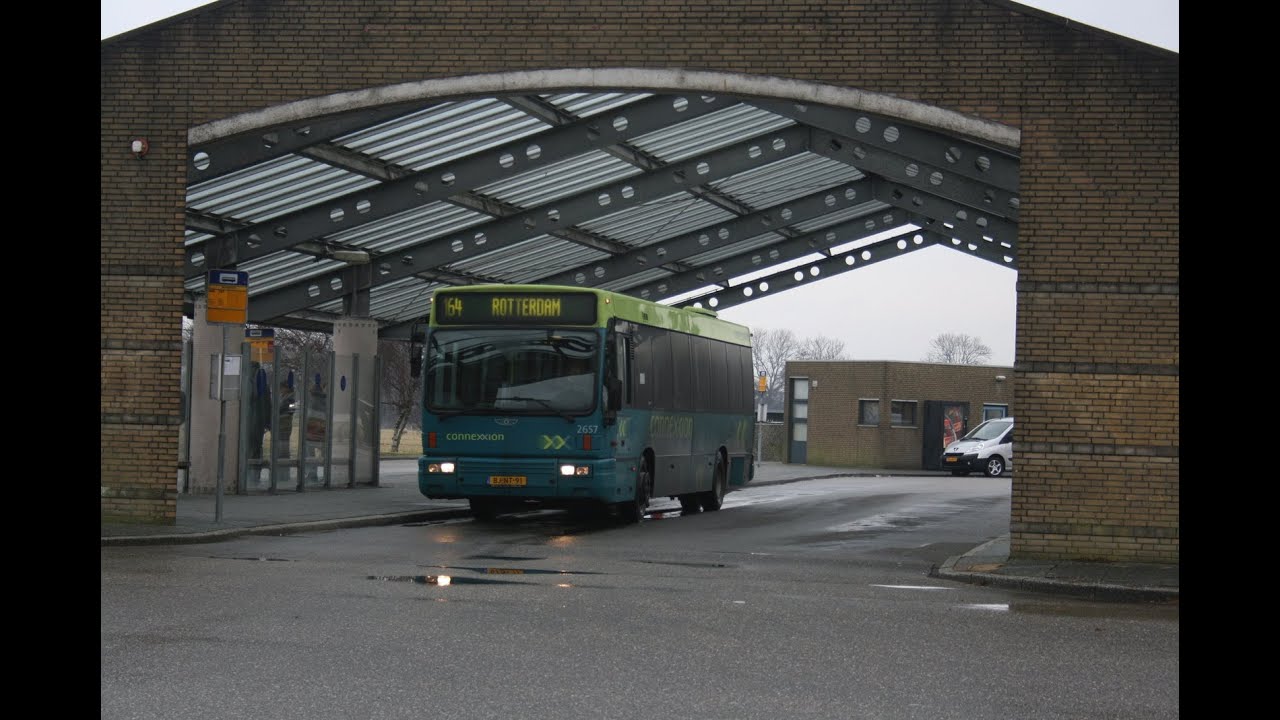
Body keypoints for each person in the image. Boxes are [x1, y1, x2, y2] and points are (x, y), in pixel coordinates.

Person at [246, 363, 272, 483]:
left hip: (249, 421)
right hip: (259, 421)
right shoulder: (263, 384)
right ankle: (255, 476)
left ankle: (249, 475)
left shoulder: (247, 382)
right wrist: (268, 422)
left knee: (248, 448)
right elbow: (268, 405)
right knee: (256, 448)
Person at [276, 378, 296, 459]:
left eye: (282, 388)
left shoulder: (290, 398)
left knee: (284, 443)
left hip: (285, 424)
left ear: (286, 388)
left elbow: (291, 410)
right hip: (282, 423)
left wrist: (281, 409)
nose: (280, 390)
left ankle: (284, 458)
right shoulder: (283, 397)